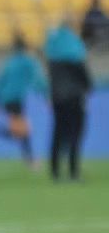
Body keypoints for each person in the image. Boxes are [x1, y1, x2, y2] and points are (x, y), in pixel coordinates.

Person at [44, 20, 92, 181]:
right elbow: (85, 78)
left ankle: (55, 171)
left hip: (58, 98)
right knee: (75, 135)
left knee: (57, 134)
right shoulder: (75, 49)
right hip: (75, 98)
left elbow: (49, 78)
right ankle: (73, 171)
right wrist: (87, 88)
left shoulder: (53, 50)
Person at [0, 40, 45, 168]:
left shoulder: (9, 63)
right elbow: (37, 80)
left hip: (6, 99)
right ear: (26, 50)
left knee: (21, 131)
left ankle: (29, 160)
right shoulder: (28, 62)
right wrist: (46, 93)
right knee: (23, 131)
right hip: (15, 99)